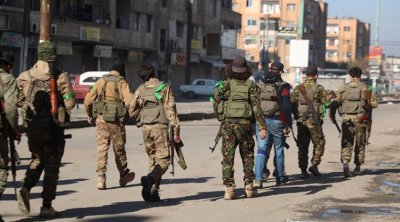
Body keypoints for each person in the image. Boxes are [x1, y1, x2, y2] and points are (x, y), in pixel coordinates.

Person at [16, 41, 75, 218]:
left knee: (37, 159)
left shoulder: (24, 76)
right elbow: (71, 103)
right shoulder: (60, 77)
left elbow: (19, 102)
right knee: (52, 167)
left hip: (33, 128)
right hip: (53, 129)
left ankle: (26, 186)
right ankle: (46, 206)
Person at [212, 56, 267, 200]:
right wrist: (262, 126)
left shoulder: (224, 85)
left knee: (227, 157)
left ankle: (229, 189)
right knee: (248, 155)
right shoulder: (251, 86)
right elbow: (257, 107)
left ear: (230, 69)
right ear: (246, 70)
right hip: (245, 125)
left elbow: (216, 102)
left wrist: (222, 117)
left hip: (228, 125)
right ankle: (249, 187)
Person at [129, 62, 180, 202]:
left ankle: (153, 192)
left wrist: (143, 117)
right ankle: (150, 179)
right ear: (154, 73)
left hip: (146, 128)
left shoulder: (140, 89)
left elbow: (131, 111)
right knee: (163, 160)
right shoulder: (164, 87)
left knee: (152, 159)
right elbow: (170, 109)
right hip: (161, 128)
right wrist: (176, 130)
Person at [84, 62, 135, 190]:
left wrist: (89, 113)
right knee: (119, 148)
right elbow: (130, 101)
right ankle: (123, 175)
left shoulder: (101, 81)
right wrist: (128, 115)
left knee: (102, 147)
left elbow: (87, 100)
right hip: (116, 121)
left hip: (101, 119)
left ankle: (101, 178)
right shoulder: (122, 82)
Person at [330, 67, 378, 177]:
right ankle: (357, 167)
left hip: (346, 120)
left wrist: (332, 115)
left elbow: (335, 103)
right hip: (361, 119)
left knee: (347, 142)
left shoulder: (343, 87)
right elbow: (374, 104)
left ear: (350, 75)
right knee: (360, 143)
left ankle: (346, 163)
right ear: (360, 75)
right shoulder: (366, 88)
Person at [254, 62, 292, 188]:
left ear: (270, 69)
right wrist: (287, 125)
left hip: (261, 121)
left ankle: (258, 179)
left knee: (261, 149)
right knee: (279, 150)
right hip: (277, 121)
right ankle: (280, 178)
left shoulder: (260, 84)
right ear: (281, 72)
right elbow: (286, 107)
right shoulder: (284, 86)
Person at [291, 66, 329, 178]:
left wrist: (296, 115)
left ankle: (303, 170)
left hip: (301, 120)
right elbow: (327, 102)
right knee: (320, 142)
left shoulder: (298, 88)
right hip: (314, 120)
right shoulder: (319, 88)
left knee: (303, 146)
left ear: (305, 75)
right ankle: (314, 164)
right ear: (316, 75)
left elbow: (292, 103)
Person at [0, 52, 18, 221]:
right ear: (9, 66)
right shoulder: (8, 80)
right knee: (1, 170)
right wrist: (13, 130)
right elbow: (11, 109)